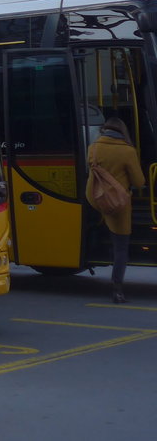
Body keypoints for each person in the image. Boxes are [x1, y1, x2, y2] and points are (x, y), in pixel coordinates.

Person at [86, 117, 144, 303]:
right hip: (115, 203)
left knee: (106, 231)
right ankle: (117, 289)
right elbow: (139, 182)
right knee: (121, 247)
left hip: (94, 198)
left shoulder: (93, 147)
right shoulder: (127, 151)